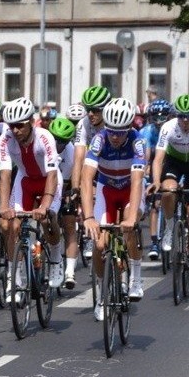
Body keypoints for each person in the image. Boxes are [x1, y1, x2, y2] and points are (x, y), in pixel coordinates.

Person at [81, 98, 147, 320]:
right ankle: (101, 294)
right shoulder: (99, 140)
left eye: (121, 132)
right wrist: (89, 217)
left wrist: (131, 218)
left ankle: (136, 277)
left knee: (129, 228)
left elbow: (137, 181)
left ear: (129, 127)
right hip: (107, 190)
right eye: (112, 131)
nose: (116, 137)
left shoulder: (137, 142)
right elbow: (86, 177)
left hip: (130, 189)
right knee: (100, 245)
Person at [0, 96, 65, 301]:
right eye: (11, 126)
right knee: (13, 226)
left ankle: (55, 257)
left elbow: (52, 175)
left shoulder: (44, 137)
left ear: (30, 122)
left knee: (46, 218)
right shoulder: (6, 138)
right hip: (25, 181)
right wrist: (3, 206)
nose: (15, 130)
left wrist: (44, 206)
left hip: (48, 181)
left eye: (19, 125)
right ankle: (15, 278)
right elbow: (5, 175)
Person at [147, 93, 189, 290]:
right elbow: (158, 159)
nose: (185, 121)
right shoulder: (168, 127)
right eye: (181, 116)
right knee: (168, 191)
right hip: (174, 163)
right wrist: (157, 181)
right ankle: (168, 226)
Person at [72, 85, 112, 261]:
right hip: (94, 163)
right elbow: (79, 157)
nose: (90, 114)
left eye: (95, 110)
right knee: (88, 194)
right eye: (88, 109)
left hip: (113, 164)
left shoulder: (114, 121)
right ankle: (90, 232)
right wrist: (75, 187)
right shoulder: (84, 123)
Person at [48, 116, 81, 289]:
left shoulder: (72, 152)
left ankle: (69, 271)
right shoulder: (44, 145)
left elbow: (74, 179)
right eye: (55, 139)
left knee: (69, 224)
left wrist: (71, 194)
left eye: (62, 141)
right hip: (46, 188)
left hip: (64, 190)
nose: (57, 143)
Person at [139, 99, 173, 260]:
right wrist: (145, 171)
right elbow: (145, 156)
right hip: (154, 165)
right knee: (155, 204)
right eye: (156, 117)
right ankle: (154, 242)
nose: (159, 121)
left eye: (163, 117)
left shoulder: (171, 129)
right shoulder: (147, 131)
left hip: (171, 164)